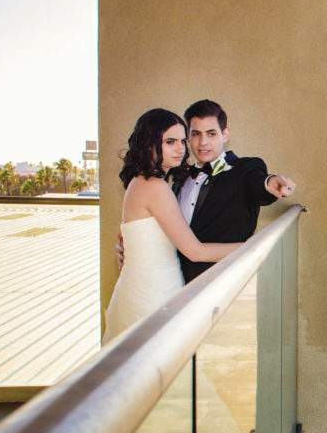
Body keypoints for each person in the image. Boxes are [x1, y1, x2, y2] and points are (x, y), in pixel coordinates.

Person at [103, 109, 243, 343]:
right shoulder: (154, 186)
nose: (180, 149)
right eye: (170, 142)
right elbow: (195, 251)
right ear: (148, 143)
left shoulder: (142, 182)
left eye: (181, 141)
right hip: (151, 294)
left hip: (147, 287)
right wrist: (250, 245)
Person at [174, 99, 295, 282]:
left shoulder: (245, 169)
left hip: (226, 284)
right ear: (188, 137)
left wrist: (269, 182)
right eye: (196, 134)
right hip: (177, 282)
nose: (203, 142)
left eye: (211, 133)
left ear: (225, 134)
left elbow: (256, 183)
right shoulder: (179, 178)